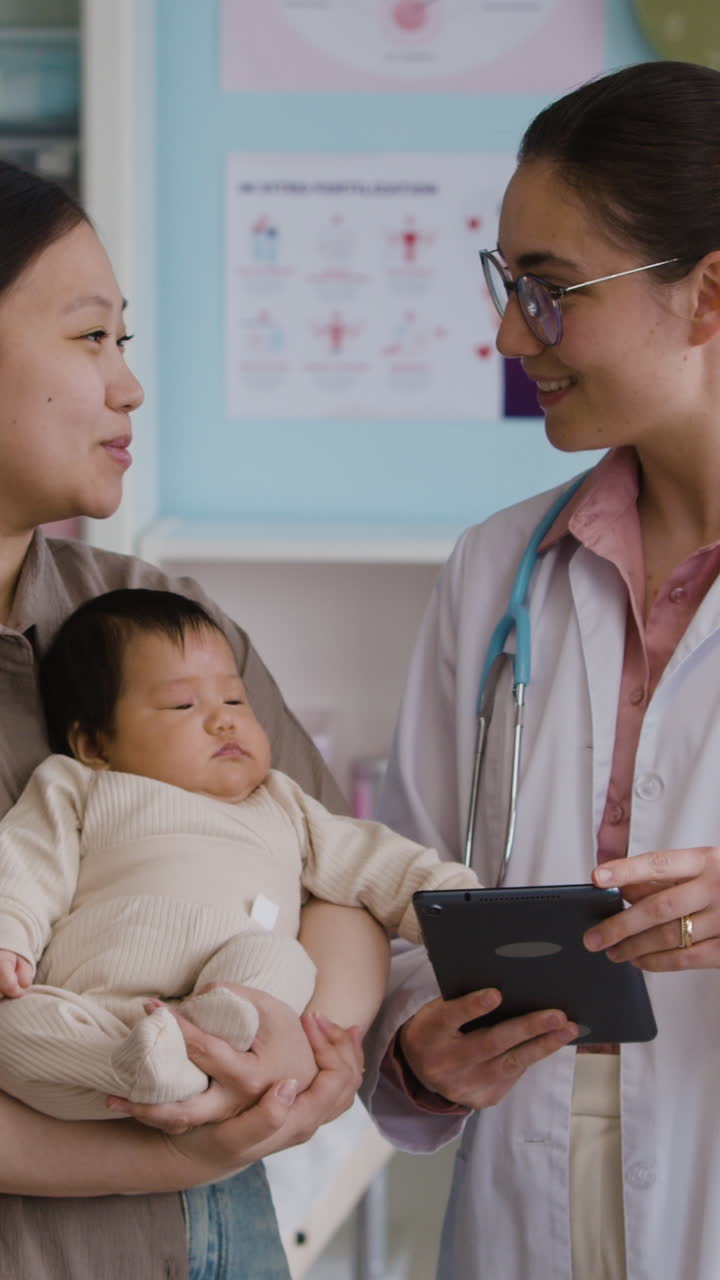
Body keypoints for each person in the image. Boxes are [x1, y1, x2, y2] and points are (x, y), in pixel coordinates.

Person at [361, 60, 720, 1280]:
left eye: (551, 291)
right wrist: (417, 1047)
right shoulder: (497, 568)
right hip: (524, 1183)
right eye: (507, 285)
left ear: (709, 294)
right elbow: (404, 885)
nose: (510, 333)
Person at [0, 157, 390, 1279]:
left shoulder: (151, 618)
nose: (128, 387)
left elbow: (336, 882)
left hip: (217, 1244)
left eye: (128, 343)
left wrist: (310, 1049)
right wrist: (173, 1151)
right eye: (89, 340)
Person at [0, 587, 477, 1119]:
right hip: (93, 1013)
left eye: (234, 700)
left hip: (230, 1005)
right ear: (95, 746)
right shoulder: (81, 785)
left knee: (282, 960)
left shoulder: (284, 804)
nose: (223, 720)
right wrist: (10, 935)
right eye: (183, 704)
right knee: (10, 1026)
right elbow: (25, 861)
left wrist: (467, 912)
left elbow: (380, 864)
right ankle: (142, 1067)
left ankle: (193, 1054)